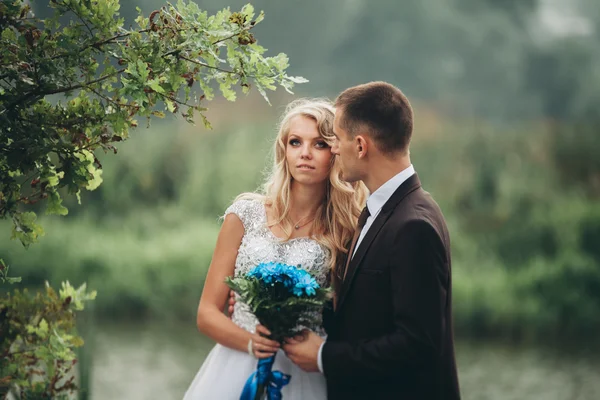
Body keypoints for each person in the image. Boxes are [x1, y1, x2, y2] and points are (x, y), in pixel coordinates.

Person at [282, 82, 461, 400]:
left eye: (336, 139)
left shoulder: (413, 225)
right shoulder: (378, 212)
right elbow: (361, 309)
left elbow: (417, 344)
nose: (334, 149)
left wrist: (324, 356)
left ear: (361, 146)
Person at [182, 98, 367, 399]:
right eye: (296, 142)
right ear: (284, 150)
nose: (305, 153)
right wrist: (251, 343)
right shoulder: (243, 214)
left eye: (319, 144)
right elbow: (206, 313)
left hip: (304, 371)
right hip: (236, 363)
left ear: (335, 153)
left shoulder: (345, 230)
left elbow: (346, 316)